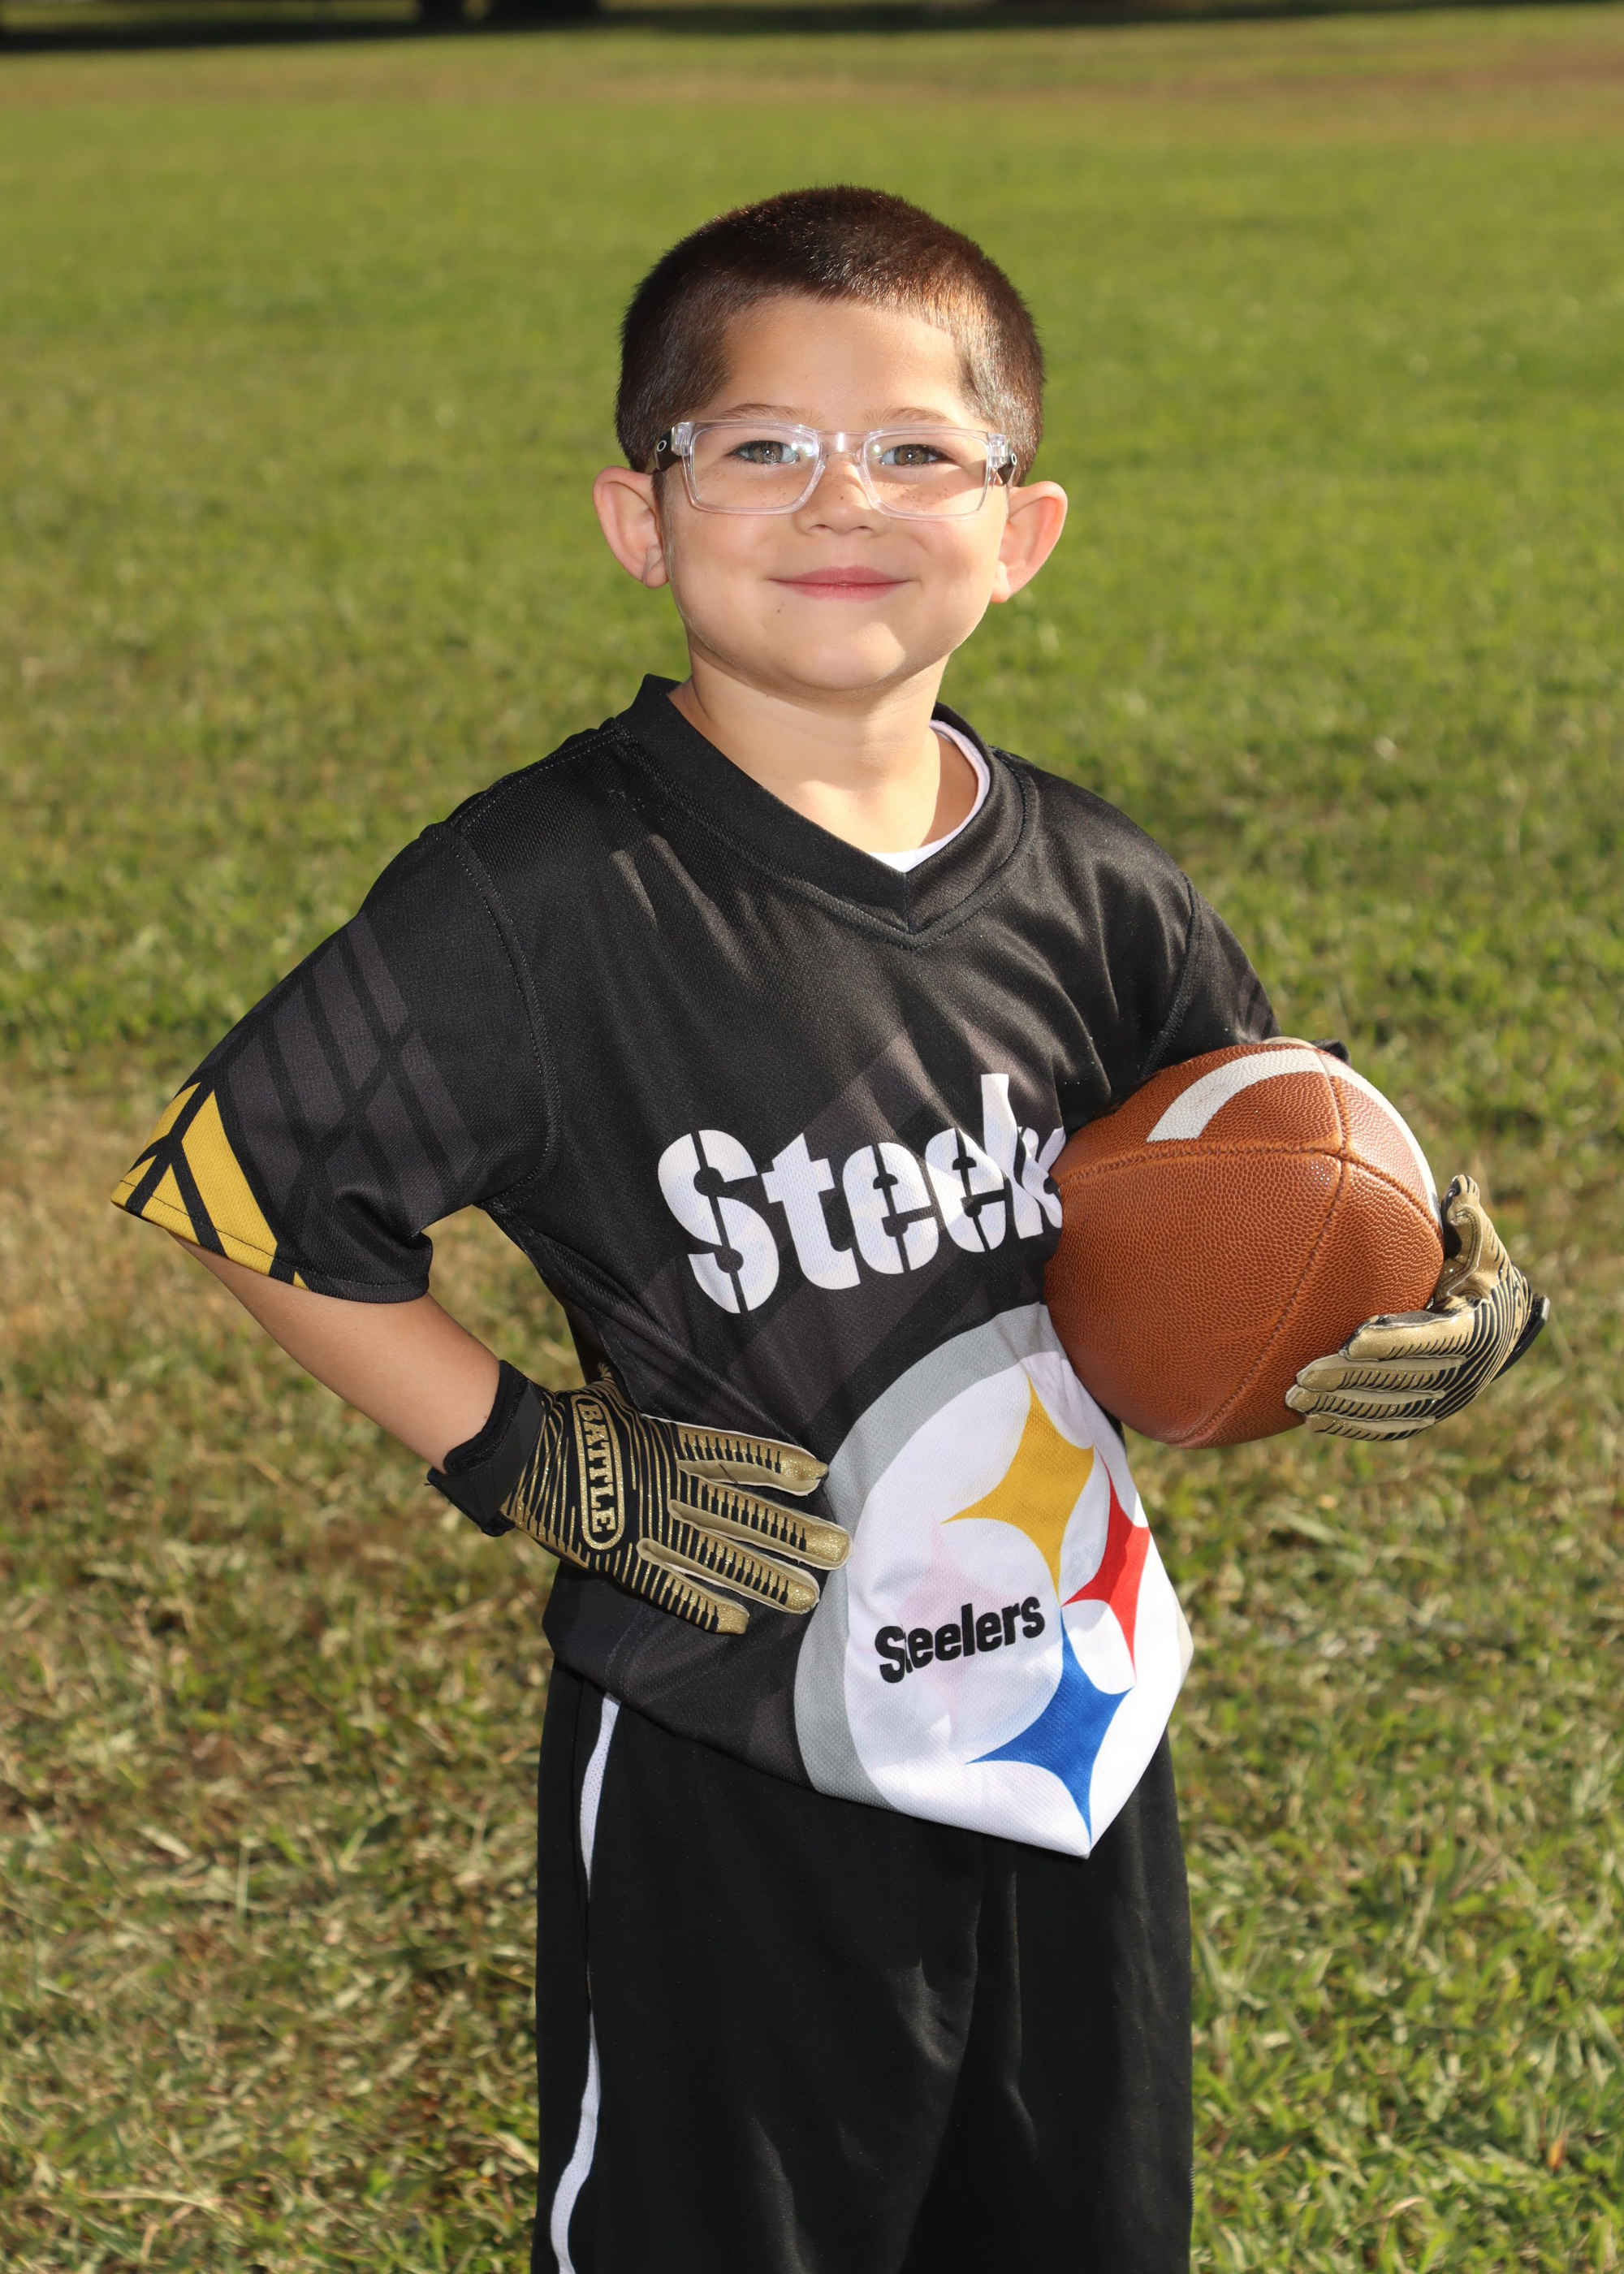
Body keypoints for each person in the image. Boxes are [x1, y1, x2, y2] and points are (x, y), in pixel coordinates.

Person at [110, 187, 1546, 2274]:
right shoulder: (541, 895)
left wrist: (1431, 1280)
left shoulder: (1094, 884)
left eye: (912, 449)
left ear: (1019, 529)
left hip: (1076, 1717)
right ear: (642, 513)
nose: (838, 498)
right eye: (761, 445)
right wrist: (529, 1450)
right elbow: (247, 1185)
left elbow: (1264, 1161)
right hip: (734, 1747)